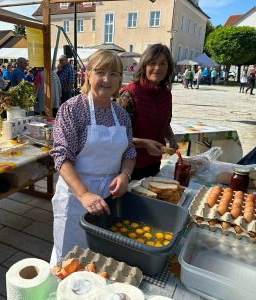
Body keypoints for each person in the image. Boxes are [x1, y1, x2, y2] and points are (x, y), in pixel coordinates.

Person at [49, 50, 136, 266]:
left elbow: (129, 152)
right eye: (101, 72)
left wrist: (125, 175)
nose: (107, 79)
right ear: (87, 74)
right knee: (70, 257)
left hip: (109, 196)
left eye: (114, 74)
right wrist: (84, 194)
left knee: (102, 257)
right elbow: (61, 156)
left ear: (120, 79)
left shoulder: (122, 115)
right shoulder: (72, 109)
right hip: (76, 196)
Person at [117, 43, 177, 180]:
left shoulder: (166, 94)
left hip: (154, 163)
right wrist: (144, 143)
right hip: (129, 167)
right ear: (144, 66)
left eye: (163, 63)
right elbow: (117, 136)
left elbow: (165, 123)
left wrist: (171, 136)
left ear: (168, 68)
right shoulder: (129, 94)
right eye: (152, 63)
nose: (158, 68)